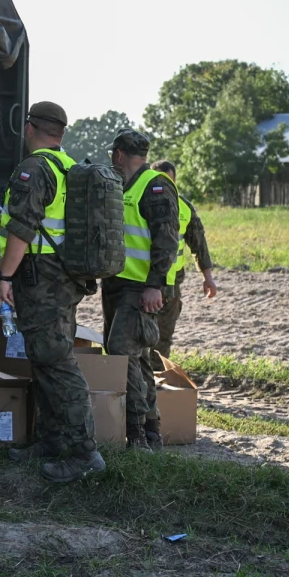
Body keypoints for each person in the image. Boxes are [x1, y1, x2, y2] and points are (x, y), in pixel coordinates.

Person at [0, 102, 105, 483]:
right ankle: (51, 442)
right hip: (63, 276)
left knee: (56, 361)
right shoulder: (67, 166)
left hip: (42, 277)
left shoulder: (34, 168)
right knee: (44, 357)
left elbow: (22, 229)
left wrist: (3, 277)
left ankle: (85, 453)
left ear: (30, 128)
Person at [103, 130, 179, 450]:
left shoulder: (156, 186)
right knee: (138, 357)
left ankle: (135, 434)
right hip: (117, 285)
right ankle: (152, 430)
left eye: (112, 155)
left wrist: (154, 286)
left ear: (119, 155)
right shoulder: (121, 185)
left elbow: (167, 241)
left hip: (140, 288)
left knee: (121, 352)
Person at [149, 160, 218, 370]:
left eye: (169, 182)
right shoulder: (141, 202)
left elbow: (199, 244)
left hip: (171, 286)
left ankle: (157, 384)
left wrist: (208, 277)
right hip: (143, 282)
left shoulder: (185, 208)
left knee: (163, 339)